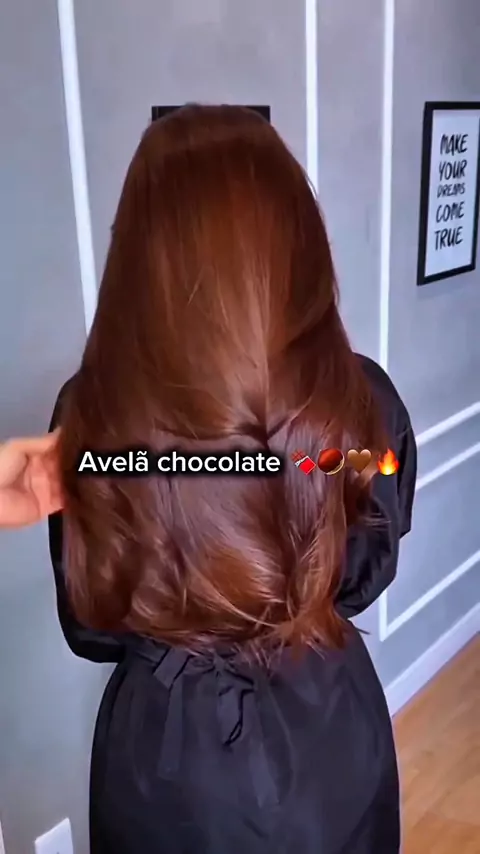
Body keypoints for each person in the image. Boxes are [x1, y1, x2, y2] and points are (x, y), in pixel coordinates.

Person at [0, 104, 417, 853]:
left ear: (140, 258)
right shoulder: (363, 405)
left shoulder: (91, 414)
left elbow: (93, 626)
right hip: (328, 726)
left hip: (165, 756)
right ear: (299, 246)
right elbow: (361, 579)